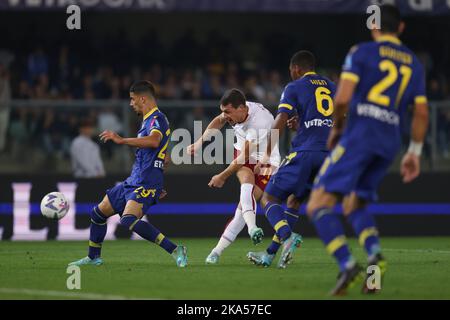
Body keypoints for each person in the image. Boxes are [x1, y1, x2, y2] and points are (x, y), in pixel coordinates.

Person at [305, 4, 429, 295]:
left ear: (374, 27)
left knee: (317, 204)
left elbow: (343, 99)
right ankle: (374, 258)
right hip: (389, 144)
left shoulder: (361, 52)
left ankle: (347, 264)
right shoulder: (415, 63)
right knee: (354, 204)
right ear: (400, 28)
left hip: (360, 136)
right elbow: (421, 113)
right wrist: (414, 152)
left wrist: (336, 130)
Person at [68, 81, 188, 267]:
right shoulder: (147, 120)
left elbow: (155, 141)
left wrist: (121, 140)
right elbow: (156, 151)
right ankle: (93, 257)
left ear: (142, 98)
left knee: (128, 220)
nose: (131, 104)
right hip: (135, 180)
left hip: (146, 181)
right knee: (98, 213)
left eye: (132, 99)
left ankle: (175, 249)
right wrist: (160, 164)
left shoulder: (157, 118)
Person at [248, 50, 336, 269]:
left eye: (291, 71)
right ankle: (269, 255)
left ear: (296, 68)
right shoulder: (333, 87)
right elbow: (336, 121)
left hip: (305, 153)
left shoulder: (294, 87)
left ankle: (287, 236)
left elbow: (280, 119)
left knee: (268, 198)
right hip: (328, 155)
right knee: (294, 201)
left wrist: (267, 152)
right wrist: (303, 125)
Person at [187, 88, 281, 264]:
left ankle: (217, 250)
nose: (225, 116)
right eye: (223, 111)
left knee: (242, 209)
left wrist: (222, 176)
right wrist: (199, 142)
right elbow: (218, 121)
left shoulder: (258, 123)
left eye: (228, 112)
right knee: (246, 182)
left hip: (268, 163)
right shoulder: (236, 111)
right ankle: (252, 229)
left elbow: (244, 157)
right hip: (245, 155)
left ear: (241, 109)